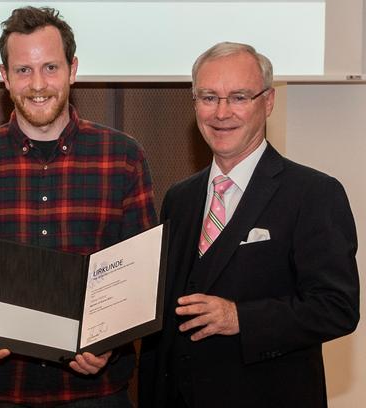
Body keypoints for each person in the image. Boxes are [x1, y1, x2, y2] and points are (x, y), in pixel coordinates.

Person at [0, 6, 157, 407]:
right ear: (4, 76)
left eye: (50, 67)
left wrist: (111, 340)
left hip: (97, 391)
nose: (38, 84)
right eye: (23, 70)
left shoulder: (123, 156)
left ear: (73, 69)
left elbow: (142, 273)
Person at [138, 42, 360, 408]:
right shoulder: (179, 197)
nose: (221, 112)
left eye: (238, 97)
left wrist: (240, 317)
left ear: (268, 101)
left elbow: (337, 308)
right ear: (194, 104)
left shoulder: (314, 193)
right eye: (208, 97)